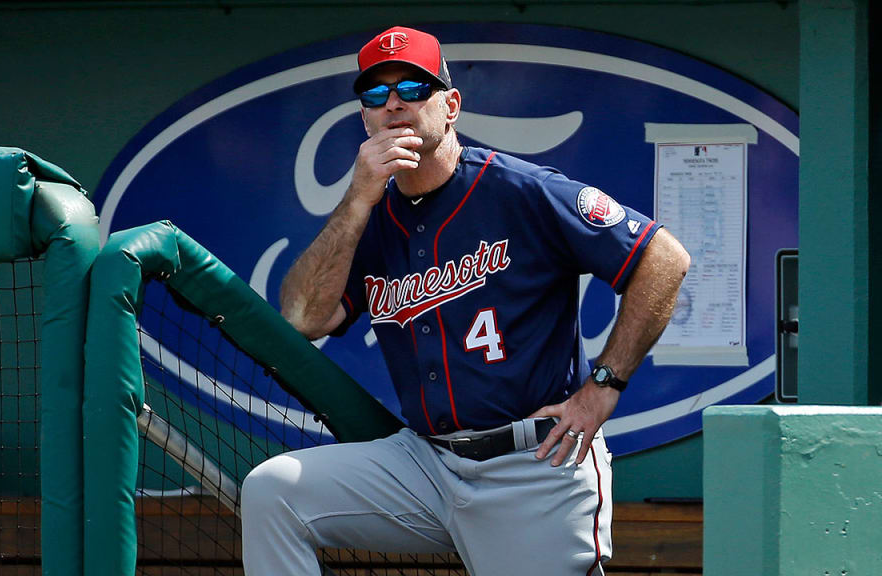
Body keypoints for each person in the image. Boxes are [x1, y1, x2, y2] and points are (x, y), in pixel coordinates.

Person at [241, 25, 690, 575]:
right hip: (426, 462)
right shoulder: (369, 221)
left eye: (413, 89)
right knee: (273, 491)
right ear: (364, 117)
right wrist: (358, 196)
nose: (395, 105)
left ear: (450, 105)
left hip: (533, 462)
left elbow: (664, 258)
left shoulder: (520, 190)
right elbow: (301, 319)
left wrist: (604, 386)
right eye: (377, 96)